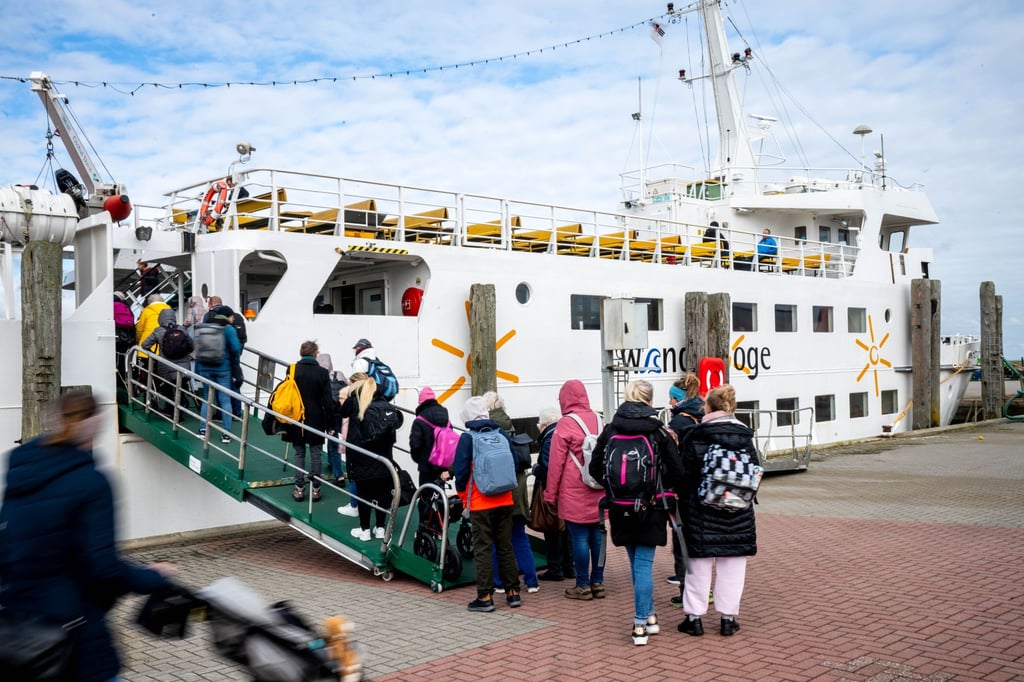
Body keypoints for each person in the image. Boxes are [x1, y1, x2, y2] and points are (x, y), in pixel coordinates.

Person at [0, 390, 177, 682]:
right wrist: (154, 576)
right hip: (75, 635)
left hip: (20, 637)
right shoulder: (92, 482)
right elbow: (105, 569)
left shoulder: (20, 472)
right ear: (95, 424)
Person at [588, 379, 684, 646]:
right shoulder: (658, 432)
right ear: (650, 401)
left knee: (635, 563)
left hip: (619, 506)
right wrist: (658, 486)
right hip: (649, 507)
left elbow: (595, 467)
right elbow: (678, 471)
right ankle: (641, 623)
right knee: (643, 565)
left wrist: (613, 488)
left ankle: (651, 615)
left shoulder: (610, 429)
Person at [676, 384, 758, 637]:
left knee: (698, 565)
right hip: (737, 510)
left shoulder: (695, 435)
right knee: (733, 566)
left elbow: (683, 474)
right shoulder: (745, 437)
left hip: (700, 511)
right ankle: (728, 619)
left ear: (707, 408)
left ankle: (694, 618)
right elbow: (754, 473)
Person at [454, 396, 520, 612]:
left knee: (482, 549)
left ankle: (485, 597)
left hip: (481, 502)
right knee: (505, 546)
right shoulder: (501, 434)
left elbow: (461, 472)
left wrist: (463, 496)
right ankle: (513, 593)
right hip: (505, 499)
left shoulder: (468, 438)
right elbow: (515, 462)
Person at [543, 379, 605, 601]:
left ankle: (582, 585)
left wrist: (550, 493)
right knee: (598, 537)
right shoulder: (599, 420)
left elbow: (555, 463)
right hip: (598, 488)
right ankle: (598, 581)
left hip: (574, 489)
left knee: (579, 538)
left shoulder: (565, 424)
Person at [338, 375, 404, 540]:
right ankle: (380, 528)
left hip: (362, 455)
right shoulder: (386, 405)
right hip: (384, 457)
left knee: (364, 494)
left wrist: (352, 393)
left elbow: (341, 411)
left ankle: (365, 530)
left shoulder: (355, 401)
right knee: (383, 494)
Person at [665, 373, 705, 606]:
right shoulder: (702, 416)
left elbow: (671, 459)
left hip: (682, 489)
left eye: (671, 398)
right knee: (696, 537)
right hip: (701, 487)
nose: (669, 402)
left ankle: (686, 591)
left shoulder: (678, 422)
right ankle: (701, 588)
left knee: (680, 538)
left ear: (679, 399)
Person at [284, 341, 334, 503]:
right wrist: (331, 424)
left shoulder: (292, 369)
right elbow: (327, 401)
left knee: (299, 453)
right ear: (315, 354)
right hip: (316, 418)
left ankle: (299, 489)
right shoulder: (322, 373)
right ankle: (316, 489)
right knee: (316, 454)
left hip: (296, 418)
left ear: (301, 352)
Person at [532, 406, 574, 582]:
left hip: (552, 490)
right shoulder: (564, 433)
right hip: (566, 489)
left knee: (552, 529)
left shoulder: (549, 438)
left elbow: (549, 467)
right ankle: (568, 566)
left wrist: (536, 469)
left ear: (544, 424)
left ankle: (555, 567)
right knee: (566, 529)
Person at [195, 309, 241, 444]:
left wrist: (197, 371)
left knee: (206, 398)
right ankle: (226, 434)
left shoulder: (204, 328)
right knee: (225, 400)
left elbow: (198, 350)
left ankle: (203, 430)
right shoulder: (228, 329)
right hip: (223, 369)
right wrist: (235, 365)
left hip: (205, 368)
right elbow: (236, 348)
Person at [141, 307, 193, 418]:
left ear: (160, 319)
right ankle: (181, 412)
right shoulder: (182, 329)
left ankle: (170, 411)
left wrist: (154, 355)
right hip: (184, 366)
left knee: (168, 389)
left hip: (166, 366)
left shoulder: (158, 331)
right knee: (181, 389)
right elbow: (191, 345)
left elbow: (145, 345)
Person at [409, 386, 451, 520]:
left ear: (421, 402)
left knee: (426, 496)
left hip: (427, 466)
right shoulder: (445, 416)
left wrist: (419, 459)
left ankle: (424, 528)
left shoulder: (420, 420)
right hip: (442, 464)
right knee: (440, 495)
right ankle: (441, 529)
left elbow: (415, 445)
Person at [318, 353, 346, 483]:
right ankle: (337, 472)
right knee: (334, 441)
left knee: (318, 442)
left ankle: (337, 473)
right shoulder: (338, 374)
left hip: (321, 413)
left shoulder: (317, 377)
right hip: (337, 414)